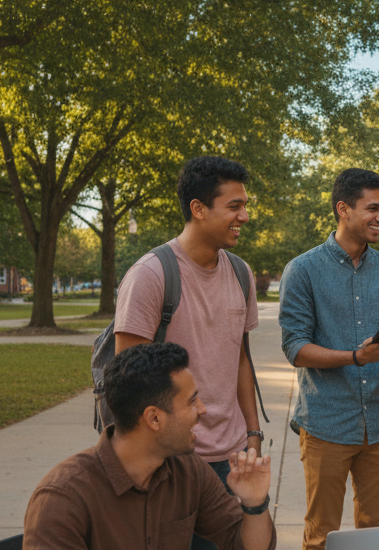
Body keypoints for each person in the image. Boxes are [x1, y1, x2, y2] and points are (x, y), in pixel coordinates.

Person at [112, 156, 262, 550]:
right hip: (171, 459)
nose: (244, 216)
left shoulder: (241, 273)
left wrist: (253, 434)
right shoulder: (150, 275)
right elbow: (128, 382)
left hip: (230, 455)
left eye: (245, 205)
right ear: (198, 209)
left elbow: (241, 359)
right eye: (234, 206)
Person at [23, 342, 275, 550]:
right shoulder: (63, 497)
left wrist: (255, 504)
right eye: (191, 401)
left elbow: (245, 546)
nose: (202, 409)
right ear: (154, 418)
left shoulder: (188, 471)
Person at [278, 168, 379, 550]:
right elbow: (296, 349)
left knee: (377, 532)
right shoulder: (303, 270)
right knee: (321, 534)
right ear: (343, 209)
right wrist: (357, 356)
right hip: (326, 422)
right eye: (373, 208)